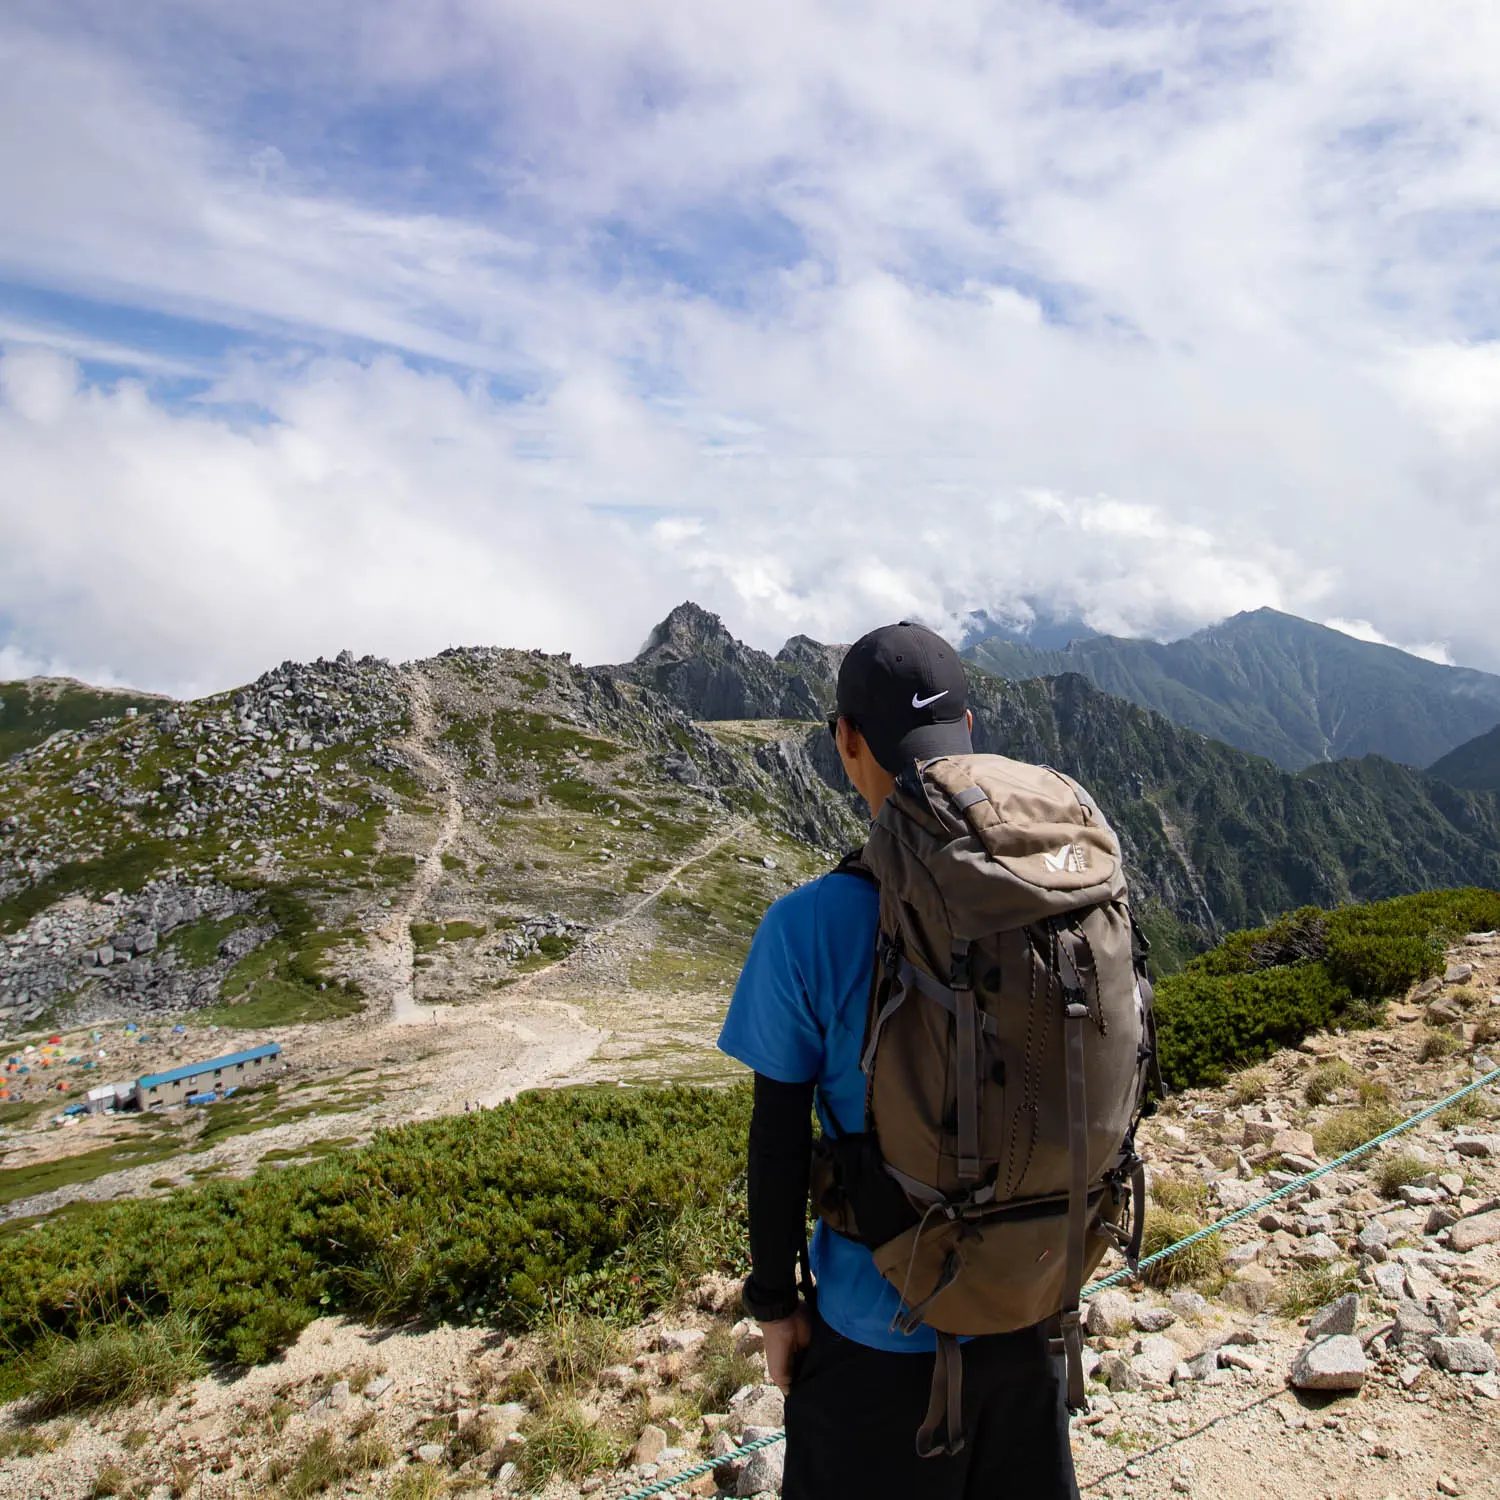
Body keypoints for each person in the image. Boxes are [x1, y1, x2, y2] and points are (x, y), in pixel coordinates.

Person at [718, 620, 1080, 1500]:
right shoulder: (1056, 882)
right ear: (970, 729)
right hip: (1028, 1314)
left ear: (846, 742)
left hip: (876, 1331)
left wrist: (775, 1309)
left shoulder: (805, 927)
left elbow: (776, 1138)